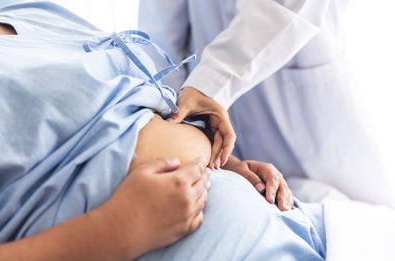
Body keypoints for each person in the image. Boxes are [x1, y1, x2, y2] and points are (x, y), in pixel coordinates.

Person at [0, 3, 320, 261]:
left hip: (299, 226)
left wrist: (224, 160)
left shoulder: (24, 10)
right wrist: (115, 231)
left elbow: (114, 111)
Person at [139, 0, 395, 207]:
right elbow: (160, 44)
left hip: (311, 114)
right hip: (218, 140)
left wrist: (209, 85)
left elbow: (287, 5)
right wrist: (180, 110)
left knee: (354, 221)